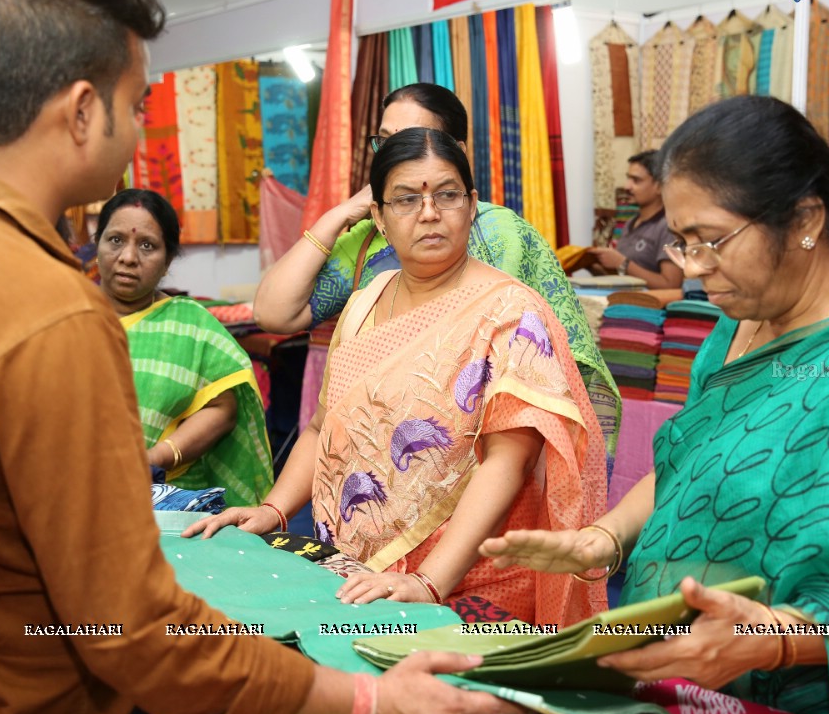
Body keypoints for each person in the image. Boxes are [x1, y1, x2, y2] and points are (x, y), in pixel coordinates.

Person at [0, 0, 521, 714]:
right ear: (82, 110)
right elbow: (134, 630)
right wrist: (367, 706)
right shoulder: (50, 315)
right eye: (135, 105)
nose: (135, 133)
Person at [480, 96, 829, 714]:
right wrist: (603, 538)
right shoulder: (739, 328)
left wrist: (772, 643)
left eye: (712, 241)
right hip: (684, 684)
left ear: (806, 220)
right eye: (682, 243)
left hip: (805, 711)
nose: (695, 270)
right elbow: (690, 468)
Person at [188, 128, 609, 626]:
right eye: (406, 199)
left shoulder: (510, 312)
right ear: (380, 219)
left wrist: (429, 581)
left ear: (472, 205)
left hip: (466, 582)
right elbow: (325, 427)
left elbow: (507, 464)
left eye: (447, 195)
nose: (429, 213)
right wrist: (274, 510)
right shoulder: (367, 298)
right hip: (352, 574)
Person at [253, 83, 622, 471]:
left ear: (455, 152)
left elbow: (525, 366)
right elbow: (275, 314)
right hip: (384, 457)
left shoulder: (501, 233)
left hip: (484, 454)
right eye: (385, 141)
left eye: (412, 139)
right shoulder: (368, 239)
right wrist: (343, 213)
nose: (395, 153)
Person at [95, 188, 271, 507]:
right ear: (97, 245)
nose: (128, 257)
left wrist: (157, 458)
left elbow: (223, 409)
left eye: (147, 245)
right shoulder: (65, 316)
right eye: (116, 240)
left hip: (166, 500)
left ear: (168, 261)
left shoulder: (190, 324)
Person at [584, 150, 683, 289]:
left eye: (636, 181)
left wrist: (623, 263)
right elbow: (624, 279)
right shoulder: (631, 223)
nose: (627, 186)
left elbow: (671, 285)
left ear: (659, 186)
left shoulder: (668, 227)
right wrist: (591, 265)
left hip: (650, 308)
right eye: (628, 179)